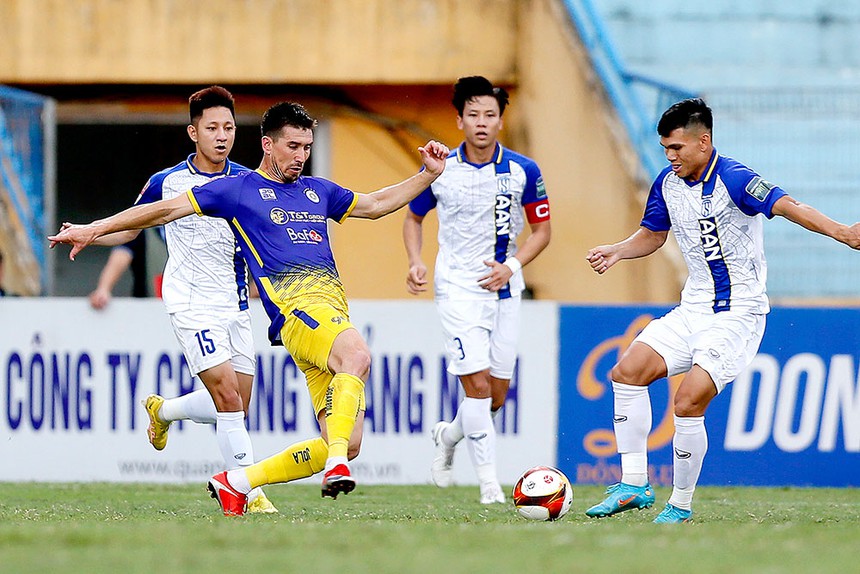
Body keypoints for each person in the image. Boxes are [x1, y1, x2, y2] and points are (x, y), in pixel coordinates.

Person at [50, 101, 450, 517]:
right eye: (292, 146)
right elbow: (165, 210)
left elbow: (375, 204)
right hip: (298, 312)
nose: (301, 156)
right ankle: (334, 466)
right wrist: (94, 228)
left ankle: (238, 482)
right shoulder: (239, 190)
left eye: (307, 147)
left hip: (324, 315)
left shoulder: (318, 191)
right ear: (267, 145)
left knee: (347, 439)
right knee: (357, 357)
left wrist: (426, 175)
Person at [583, 98, 860, 523]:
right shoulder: (668, 183)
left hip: (738, 314)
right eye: (665, 149)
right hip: (692, 306)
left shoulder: (735, 177)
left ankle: (679, 505)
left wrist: (841, 231)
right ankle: (634, 484)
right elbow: (653, 235)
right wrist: (618, 251)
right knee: (627, 372)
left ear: (703, 142)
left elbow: (790, 207)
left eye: (676, 147)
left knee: (688, 400)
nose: (670, 156)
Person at [59, 85, 277, 514]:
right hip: (190, 304)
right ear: (193, 132)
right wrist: (91, 233)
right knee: (229, 400)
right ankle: (249, 494)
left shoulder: (248, 182)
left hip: (234, 306)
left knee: (236, 405)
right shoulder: (167, 181)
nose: (222, 135)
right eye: (212, 127)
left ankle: (165, 411)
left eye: (229, 127)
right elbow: (131, 229)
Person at [403, 76, 551, 504]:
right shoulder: (440, 168)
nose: (481, 123)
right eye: (473, 115)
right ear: (460, 120)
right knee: (478, 389)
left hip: (506, 291)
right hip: (456, 290)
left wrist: (512, 266)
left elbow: (542, 231)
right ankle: (490, 485)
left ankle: (448, 436)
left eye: (490, 115)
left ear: (501, 121)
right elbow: (413, 217)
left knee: (495, 398)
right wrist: (416, 261)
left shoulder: (525, 170)